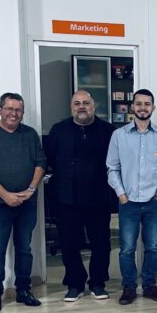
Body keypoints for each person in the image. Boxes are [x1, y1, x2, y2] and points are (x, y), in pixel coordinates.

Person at [0, 92, 46, 313]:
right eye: (9, 109)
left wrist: (31, 190)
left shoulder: (30, 134)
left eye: (18, 110)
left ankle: (24, 290)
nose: (14, 113)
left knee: (24, 248)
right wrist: (5, 195)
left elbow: (41, 162)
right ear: (0, 110)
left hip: (27, 203)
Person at [45, 90, 116, 302]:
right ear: (71, 107)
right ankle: (75, 283)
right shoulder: (59, 130)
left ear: (93, 107)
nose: (82, 107)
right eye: (77, 103)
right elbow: (51, 159)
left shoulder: (108, 131)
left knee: (101, 243)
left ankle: (97, 282)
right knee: (69, 244)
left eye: (86, 103)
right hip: (67, 198)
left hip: (98, 198)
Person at [106, 89, 157, 305]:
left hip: (154, 202)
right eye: (139, 104)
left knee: (152, 247)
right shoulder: (119, 135)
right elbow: (112, 168)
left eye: (147, 104)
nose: (143, 108)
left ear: (153, 107)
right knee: (127, 248)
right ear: (132, 107)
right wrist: (121, 194)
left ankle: (149, 285)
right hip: (128, 202)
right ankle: (128, 287)